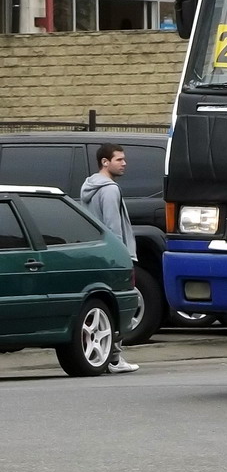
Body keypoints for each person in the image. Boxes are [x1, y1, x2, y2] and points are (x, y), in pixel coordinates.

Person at [80, 144, 140, 374]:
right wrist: (121, 256)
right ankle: (114, 358)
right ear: (105, 162)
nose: (124, 163)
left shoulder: (89, 187)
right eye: (119, 159)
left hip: (95, 253)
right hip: (113, 257)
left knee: (103, 306)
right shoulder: (110, 190)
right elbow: (113, 228)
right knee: (123, 304)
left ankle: (108, 356)